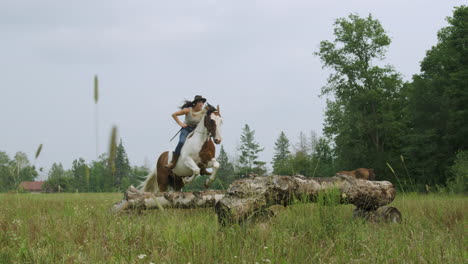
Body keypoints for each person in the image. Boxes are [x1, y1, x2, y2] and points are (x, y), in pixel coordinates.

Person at [165, 95, 207, 169]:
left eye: (202, 102)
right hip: (187, 129)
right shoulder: (188, 110)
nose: (201, 104)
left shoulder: (204, 111)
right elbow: (174, 114)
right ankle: (173, 162)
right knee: (181, 142)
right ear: (195, 103)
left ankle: (203, 166)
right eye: (200, 102)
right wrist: (181, 124)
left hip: (196, 131)